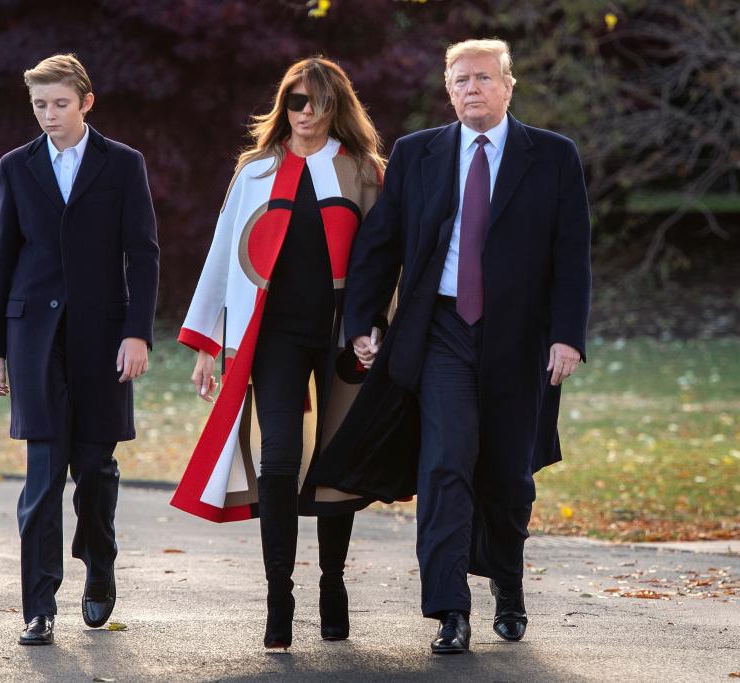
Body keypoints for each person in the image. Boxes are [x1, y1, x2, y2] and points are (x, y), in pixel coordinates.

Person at [309, 39, 592, 654]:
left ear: (508, 86)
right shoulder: (418, 155)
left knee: (509, 475)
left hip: (521, 339)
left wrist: (569, 336)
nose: (471, 89)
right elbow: (381, 244)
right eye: (460, 80)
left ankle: (508, 589)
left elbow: (572, 254)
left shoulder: (552, 156)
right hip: (440, 332)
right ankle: (449, 610)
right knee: (444, 463)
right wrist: (362, 321)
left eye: (483, 78)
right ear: (448, 88)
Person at [170, 57, 386, 649]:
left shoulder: (363, 170)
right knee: (280, 460)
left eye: (317, 101)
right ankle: (279, 598)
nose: (306, 111)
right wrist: (206, 343)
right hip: (274, 337)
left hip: (345, 337)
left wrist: (377, 327)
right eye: (295, 100)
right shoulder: (256, 171)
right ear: (283, 105)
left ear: (337, 105)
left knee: (337, 465)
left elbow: (383, 257)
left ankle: (334, 588)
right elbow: (222, 254)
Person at [0, 54, 159, 646]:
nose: (49, 115)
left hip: (103, 340)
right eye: (39, 105)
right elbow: (3, 257)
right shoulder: (16, 167)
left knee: (97, 472)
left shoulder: (123, 165)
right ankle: (38, 605)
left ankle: (100, 566)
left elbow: (144, 253)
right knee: (43, 477)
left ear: (86, 102)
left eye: (59, 103)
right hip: (32, 339)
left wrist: (137, 332)